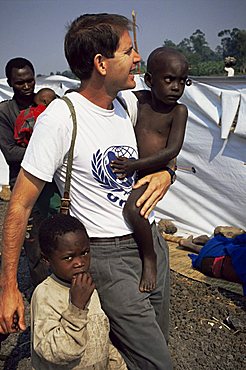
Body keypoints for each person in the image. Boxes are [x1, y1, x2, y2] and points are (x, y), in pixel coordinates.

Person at [0, 14, 173, 370]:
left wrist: (167, 173)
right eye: (129, 51)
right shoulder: (60, 119)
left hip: (150, 242)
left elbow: (166, 138)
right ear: (101, 63)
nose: (138, 58)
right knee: (158, 361)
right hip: (107, 254)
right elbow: (18, 206)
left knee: (153, 344)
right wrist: (9, 288)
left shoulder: (129, 105)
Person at [111, 47, 189, 292]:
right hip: (133, 171)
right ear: (149, 80)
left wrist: (135, 165)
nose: (176, 87)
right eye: (169, 80)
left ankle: (150, 257)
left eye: (182, 81)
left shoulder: (178, 111)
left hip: (152, 173)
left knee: (134, 210)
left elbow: (171, 151)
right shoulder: (139, 101)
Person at [31, 213, 127, 370]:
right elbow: (53, 352)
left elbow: (100, 334)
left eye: (84, 252)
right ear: (46, 259)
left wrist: (116, 364)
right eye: (69, 258)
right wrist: (76, 309)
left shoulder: (86, 286)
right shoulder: (45, 295)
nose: (80, 262)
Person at [0, 57, 50, 287]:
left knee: (58, 233)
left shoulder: (46, 104)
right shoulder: (5, 112)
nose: (27, 86)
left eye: (30, 80)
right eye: (20, 83)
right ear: (10, 82)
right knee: (32, 240)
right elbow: (10, 153)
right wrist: (46, 150)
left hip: (51, 183)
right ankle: (41, 290)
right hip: (23, 182)